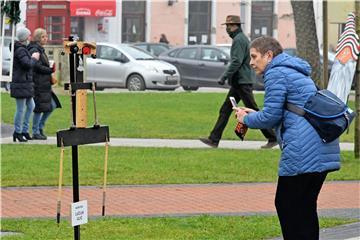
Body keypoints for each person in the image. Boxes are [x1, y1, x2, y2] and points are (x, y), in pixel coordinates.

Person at [234, 36, 340, 240]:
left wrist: (245, 120)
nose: (251, 62)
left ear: (269, 55)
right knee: (305, 206)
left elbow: (271, 116)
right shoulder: (294, 70)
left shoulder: (276, 74)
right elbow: (286, 111)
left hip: (302, 150)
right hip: (320, 146)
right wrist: (252, 114)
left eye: (254, 56)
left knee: (286, 204)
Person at [199, 15, 277, 148]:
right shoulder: (240, 39)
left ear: (235, 26)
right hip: (239, 82)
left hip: (242, 82)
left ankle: (272, 137)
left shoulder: (239, 40)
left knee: (252, 109)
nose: (227, 29)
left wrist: (224, 76)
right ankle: (214, 139)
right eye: (227, 26)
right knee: (225, 110)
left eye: (229, 26)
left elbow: (237, 61)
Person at [28, 28, 61, 140]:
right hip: (38, 84)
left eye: (46, 36)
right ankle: (35, 131)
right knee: (39, 108)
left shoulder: (40, 49)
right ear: (37, 38)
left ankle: (40, 127)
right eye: (43, 37)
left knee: (52, 105)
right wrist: (50, 69)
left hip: (44, 84)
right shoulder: (34, 49)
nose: (46, 38)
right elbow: (36, 66)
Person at [10, 27, 40, 142]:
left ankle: (24, 130)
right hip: (20, 83)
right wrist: (34, 58)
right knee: (20, 109)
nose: (30, 37)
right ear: (24, 37)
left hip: (25, 83)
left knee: (31, 106)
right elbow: (27, 65)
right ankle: (17, 132)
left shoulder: (22, 48)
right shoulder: (21, 50)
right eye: (29, 35)